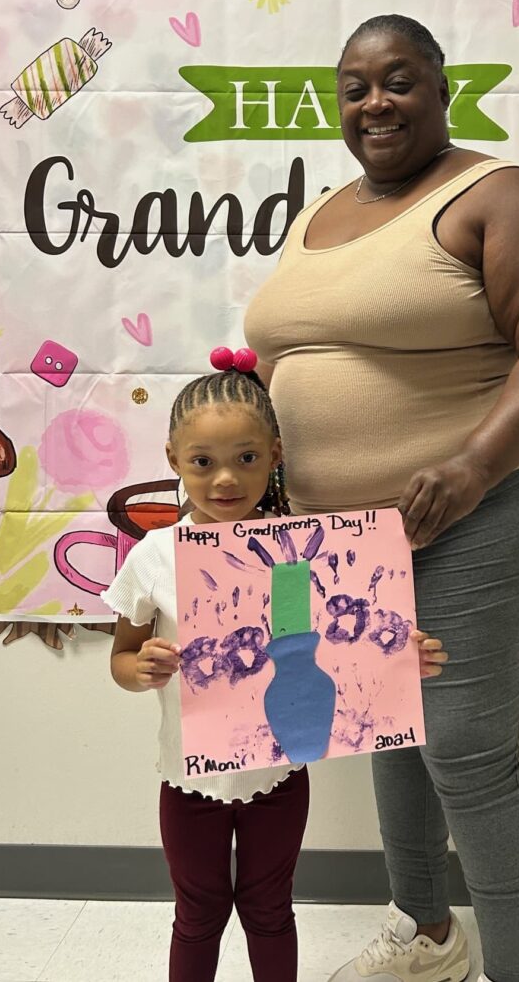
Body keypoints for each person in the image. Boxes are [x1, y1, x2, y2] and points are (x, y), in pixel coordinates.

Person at [244, 15, 519, 982]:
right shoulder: (321, 213)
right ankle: (426, 934)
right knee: (387, 735)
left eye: (398, 81)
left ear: (443, 89)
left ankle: (514, 971)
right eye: (354, 87)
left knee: (466, 750)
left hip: (485, 511)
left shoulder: (496, 193)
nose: (374, 103)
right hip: (346, 538)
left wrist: (474, 465)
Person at [102, 348, 447, 982]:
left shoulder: (300, 555)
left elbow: (342, 644)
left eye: (246, 459)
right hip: (188, 779)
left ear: (276, 456)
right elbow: (121, 658)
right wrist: (141, 667)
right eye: (203, 463)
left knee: (269, 909)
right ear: (174, 460)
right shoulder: (157, 555)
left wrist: (404, 657)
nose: (225, 480)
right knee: (198, 913)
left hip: (278, 776)